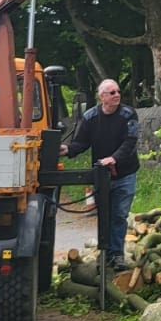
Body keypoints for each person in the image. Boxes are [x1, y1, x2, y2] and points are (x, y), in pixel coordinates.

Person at [62, 78, 140, 270]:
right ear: (102, 96)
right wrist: (68, 150)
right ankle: (104, 254)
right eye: (112, 93)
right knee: (104, 215)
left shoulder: (128, 114)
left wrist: (114, 158)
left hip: (125, 173)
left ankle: (117, 255)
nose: (117, 95)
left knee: (119, 215)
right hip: (101, 175)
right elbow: (82, 142)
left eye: (118, 92)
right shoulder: (90, 117)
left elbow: (130, 141)